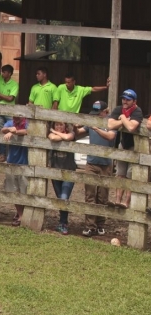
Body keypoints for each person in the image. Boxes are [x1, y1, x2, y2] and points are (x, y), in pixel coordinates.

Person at [74, 101, 116, 237]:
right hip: (91, 162)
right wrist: (75, 127)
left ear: (105, 111)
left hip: (106, 163)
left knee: (103, 196)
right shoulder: (91, 122)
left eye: (99, 113)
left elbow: (110, 136)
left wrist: (96, 128)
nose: (96, 115)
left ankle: (100, 224)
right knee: (90, 194)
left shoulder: (111, 122)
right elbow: (79, 132)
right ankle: (90, 226)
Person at [107, 89, 143, 209]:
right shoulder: (119, 109)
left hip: (135, 145)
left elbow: (132, 127)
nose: (125, 101)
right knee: (120, 173)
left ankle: (126, 202)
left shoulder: (137, 111)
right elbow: (110, 125)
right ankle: (117, 200)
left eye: (128, 99)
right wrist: (124, 119)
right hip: (123, 143)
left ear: (134, 101)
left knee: (130, 174)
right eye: (123, 98)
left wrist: (121, 119)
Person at [47, 122, 76, 235]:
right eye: (56, 125)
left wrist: (54, 132)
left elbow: (68, 137)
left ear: (65, 126)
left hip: (69, 172)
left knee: (64, 197)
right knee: (60, 198)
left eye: (61, 125)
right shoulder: (51, 134)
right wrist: (55, 134)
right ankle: (62, 222)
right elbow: (52, 138)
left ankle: (63, 223)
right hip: (55, 171)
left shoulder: (72, 133)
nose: (59, 127)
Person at [1, 115, 29, 225]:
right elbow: (3, 129)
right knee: (13, 190)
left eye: (19, 116)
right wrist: (9, 129)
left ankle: (24, 214)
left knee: (24, 190)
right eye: (14, 116)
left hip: (25, 162)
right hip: (12, 161)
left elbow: (28, 131)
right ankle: (20, 214)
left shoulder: (27, 123)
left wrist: (14, 132)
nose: (16, 118)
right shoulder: (9, 123)